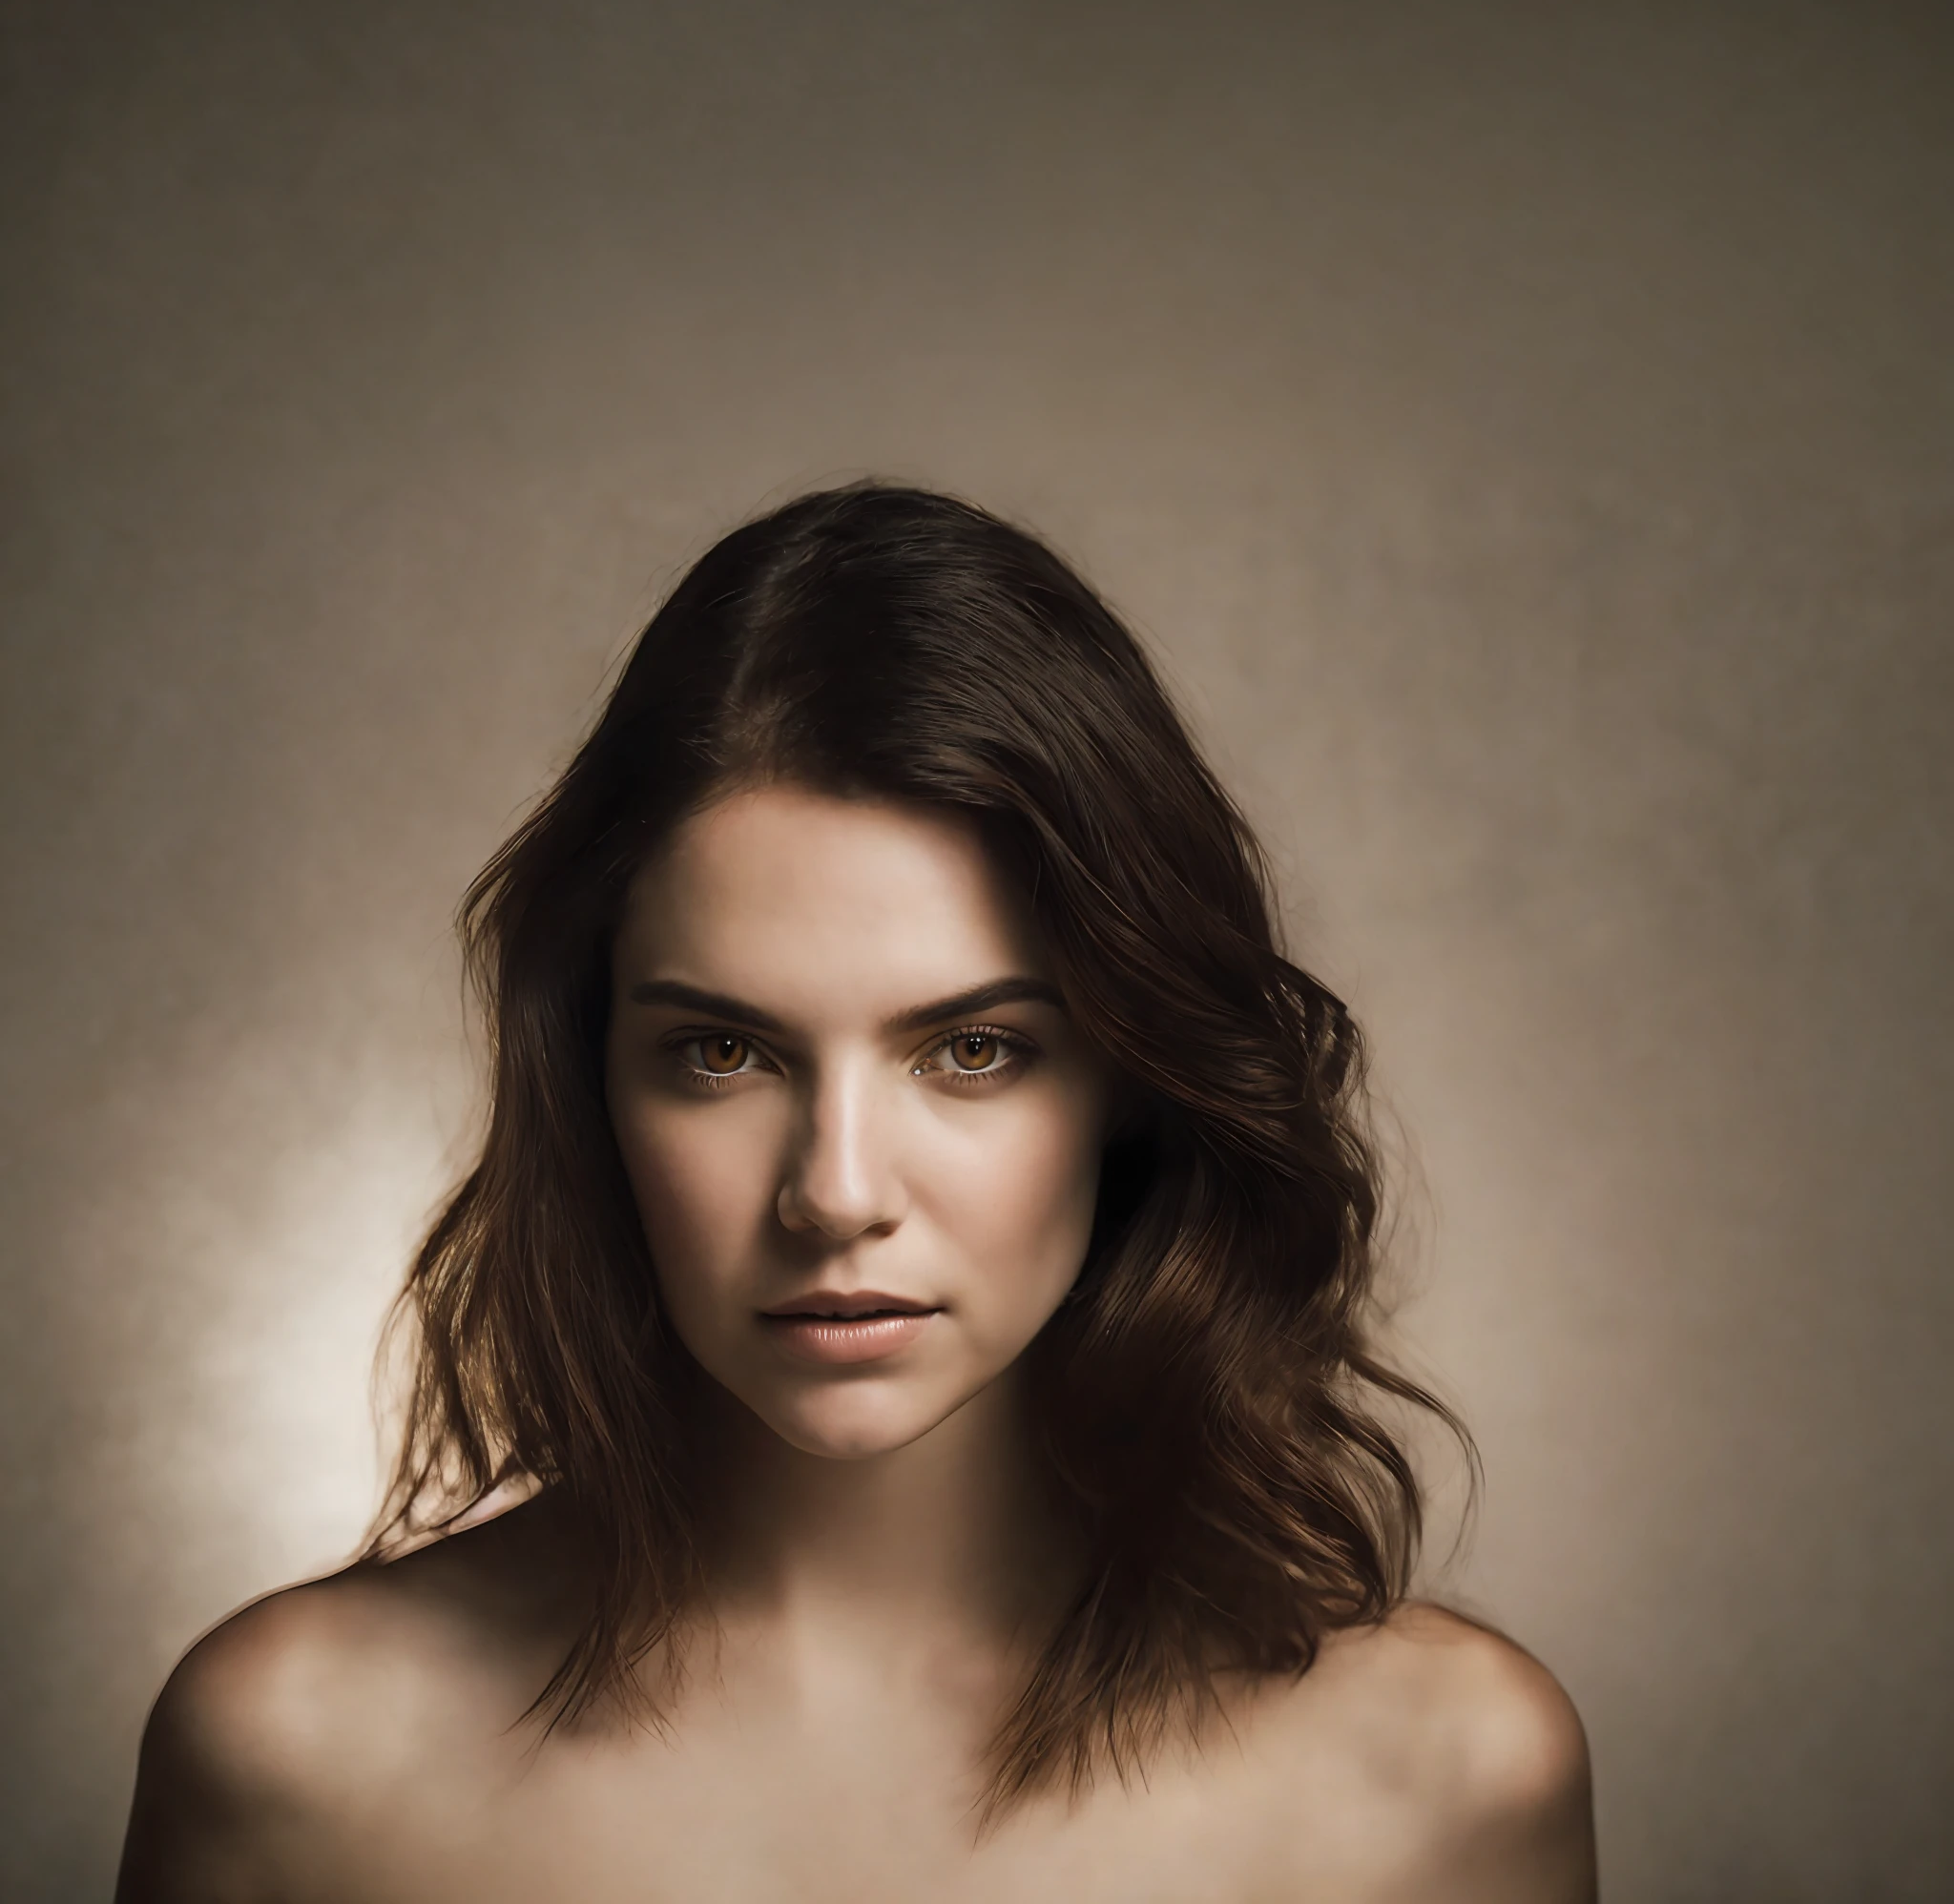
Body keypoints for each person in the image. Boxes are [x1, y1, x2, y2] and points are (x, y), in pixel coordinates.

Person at [116, 485, 1596, 1901]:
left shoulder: (1444, 1785)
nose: (833, 1193)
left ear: (1137, 1084)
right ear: (591, 1083)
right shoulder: (292, 1765)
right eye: (722, 1051)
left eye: (970, 1049)